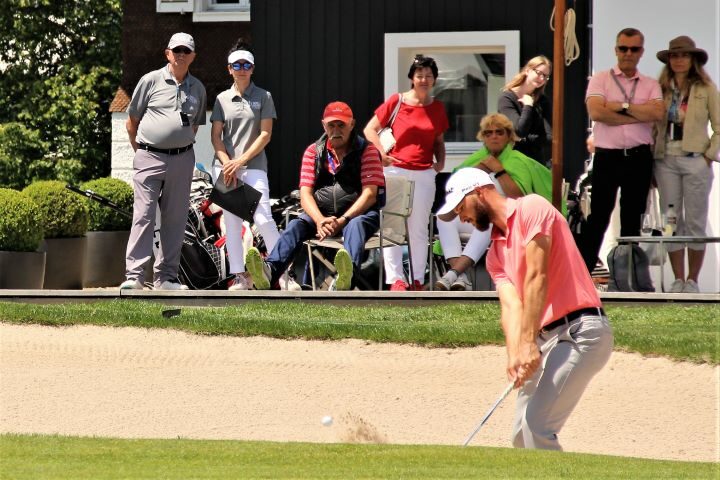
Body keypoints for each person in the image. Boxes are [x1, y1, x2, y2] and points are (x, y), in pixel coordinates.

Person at [437, 168, 613, 450]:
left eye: (461, 207)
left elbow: (537, 275)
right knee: (521, 435)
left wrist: (529, 342)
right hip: (545, 336)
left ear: (480, 192)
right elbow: (511, 307)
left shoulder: (532, 207)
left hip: (580, 330)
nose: (462, 218)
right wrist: (515, 353)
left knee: (537, 428)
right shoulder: (495, 253)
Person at [245, 101, 385, 291]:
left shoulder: (367, 151)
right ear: (323, 125)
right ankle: (270, 271)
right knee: (295, 225)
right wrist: (319, 220)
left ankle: (346, 276)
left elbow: (370, 194)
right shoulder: (313, 151)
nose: (336, 130)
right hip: (322, 215)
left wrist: (343, 219)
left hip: (358, 215)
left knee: (356, 225)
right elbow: (305, 194)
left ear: (352, 124)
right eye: (331, 125)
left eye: (341, 124)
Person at [434, 113, 564, 291]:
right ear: (483, 137)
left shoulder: (520, 162)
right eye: (488, 133)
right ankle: (461, 277)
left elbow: (519, 198)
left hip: (508, 221)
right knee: (442, 218)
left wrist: (499, 170)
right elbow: (456, 192)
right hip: (473, 218)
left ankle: (453, 273)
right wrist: (479, 170)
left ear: (509, 136)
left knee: (487, 219)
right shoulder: (475, 160)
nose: (493, 136)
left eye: (499, 132)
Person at [120, 32, 207, 291]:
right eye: (176, 50)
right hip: (149, 156)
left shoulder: (198, 88)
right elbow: (131, 121)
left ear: (193, 56)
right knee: (143, 216)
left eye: (186, 51)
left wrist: (176, 146)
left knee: (175, 219)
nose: (181, 55)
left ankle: (166, 278)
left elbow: (193, 128)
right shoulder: (150, 80)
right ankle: (134, 276)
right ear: (167, 53)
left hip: (182, 160)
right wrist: (142, 152)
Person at [580, 27, 665, 274]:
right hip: (608, 156)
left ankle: (628, 275)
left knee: (633, 217)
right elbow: (596, 112)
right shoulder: (601, 79)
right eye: (623, 48)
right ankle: (583, 274)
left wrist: (619, 108)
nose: (628, 53)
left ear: (641, 52)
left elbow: (657, 114)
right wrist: (637, 112)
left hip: (639, 156)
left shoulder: (650, 84)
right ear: (616, 50)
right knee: (598, 217)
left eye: (634, 49)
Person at [210, 39, 290, 291]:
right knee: (232, 223)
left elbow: (265, 135)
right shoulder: (222, 99)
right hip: (226, 169)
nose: (242, 68)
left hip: (253, 167)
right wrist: (227, 164)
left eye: (246, 64)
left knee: (264, 218)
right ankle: (240, 277)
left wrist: (240, 161)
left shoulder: (264, 96)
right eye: (237, 64)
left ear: (253, 68)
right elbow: (215, 136)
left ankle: (283, 273)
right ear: (229, 69)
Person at [364, 54, 449, 291]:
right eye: (419, 75)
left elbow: (439, 140)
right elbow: (370, 129)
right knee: (393, 225)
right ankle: (396, 280)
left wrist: (440, 162)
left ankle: (417, 280)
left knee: (419, 227)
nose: (424, 79)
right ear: (412, 77)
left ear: (434, 80)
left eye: (428, 76)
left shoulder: (438, 108)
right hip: (395, 170)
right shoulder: (397, 101)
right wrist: (381, 153)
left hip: (424, 173)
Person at [654, 36, 719, 293]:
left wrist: (708, 157)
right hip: (666, 159)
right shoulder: (660, 88)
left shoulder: (706, 89)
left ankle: (693, 280)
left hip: (695, 160)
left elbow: (719, 126)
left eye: (684, 55)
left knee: (695, 220)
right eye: (674, 55)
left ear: (693, 60)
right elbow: (651, 126)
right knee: (670, 220)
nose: (679, 60)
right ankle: (677, 279)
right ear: (669, 60)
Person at [497, 56, 553, 166]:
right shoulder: (507, 99)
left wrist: (522, 139)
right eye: (538, 73)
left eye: (545, 76)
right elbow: (519, 130)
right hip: (513, 161)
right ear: (527, 70)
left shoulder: (543, 101)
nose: (541, 78)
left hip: (536, 163)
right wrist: (528, 105)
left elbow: (548, 137)